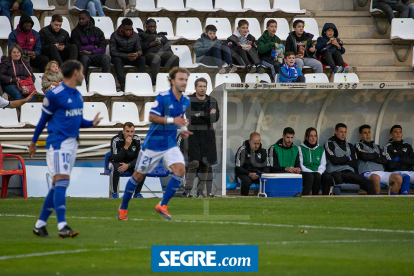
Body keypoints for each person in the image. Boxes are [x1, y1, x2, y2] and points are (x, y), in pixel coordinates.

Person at [30, 60, 103, 238]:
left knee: (58, 185)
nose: (84, 76)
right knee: (62, 181)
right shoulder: (55, 95)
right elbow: (42, 121)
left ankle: (40, 225)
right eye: (82, 72)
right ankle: (62, 226)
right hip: (58, 143)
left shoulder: (78, 95)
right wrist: (33, 142)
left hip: (72, 143)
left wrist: (90, 124)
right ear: (75, 73)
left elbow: (77, 121)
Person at [117, 67, 192, 221]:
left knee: (180, 170)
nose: (184, 82)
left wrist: (183, 129)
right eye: (181, 79)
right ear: (172, 81)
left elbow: (179, 115)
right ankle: (123, 207)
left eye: (185, 79)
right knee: (137, 176)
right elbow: (151, 117)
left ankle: (162, 205)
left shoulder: (186, 100)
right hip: (153, 145)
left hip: (170, 144)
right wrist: (173, 121)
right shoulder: (163, 97)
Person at [180, 78, 220, 198]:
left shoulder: (212, 100)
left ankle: (199, 192)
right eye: (200, 86)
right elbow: (191, 117)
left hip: (208, 136)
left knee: (205, 164)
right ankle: (187, 191)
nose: (202, 88)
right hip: (194, 135)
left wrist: (200, 114)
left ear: (207, 88)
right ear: (195, 88)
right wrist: (207, 114)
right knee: (194, 163)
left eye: (204, 86)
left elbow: (215, 118)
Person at [324, 123, 376, 195]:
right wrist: (348, 158)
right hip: (335, 171)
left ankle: (372, 203)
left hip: (348, 172)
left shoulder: (350, 145)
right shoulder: (329, 143)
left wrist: (341, 160)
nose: (343, 134)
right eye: (341, 132)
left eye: (345, 132)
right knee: (338, 183)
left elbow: (354, 163)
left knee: (367, 182)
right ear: (335, 132)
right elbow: (334, 160)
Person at [356, 124, 403, 195]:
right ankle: (377, 201)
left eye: (369, 132)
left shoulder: (377, 146)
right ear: (361, 135)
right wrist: (377, 155)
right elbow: (363, 156)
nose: (368, 135)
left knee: (398, 178)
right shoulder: (358, 145)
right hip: (367, 172)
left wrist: (369, 156)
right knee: (376, 178)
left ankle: (393, 201)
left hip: (381, 171)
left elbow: (384, 160)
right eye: (365, 133)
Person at [108, 122, 146, 199]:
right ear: (123, 132)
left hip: (129, 163)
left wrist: (128, 165)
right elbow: (115, 158)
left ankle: (137, 193)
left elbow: (140, 158)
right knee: (116, 167)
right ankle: (114, 193)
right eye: (127, 131)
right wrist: (126, 146)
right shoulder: (115, 140)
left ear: (134, 132)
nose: (129, 134)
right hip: (116, 162)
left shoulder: (137, 139)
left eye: (131, 132)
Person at [71, 10, 111, 81]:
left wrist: (91, 52)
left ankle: (107, 82)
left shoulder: (98, 31)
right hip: (82, 56)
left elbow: (102, 49)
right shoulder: (75, 32)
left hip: (95, 55)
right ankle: (83, 84)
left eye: (83, 19)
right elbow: (79, 48)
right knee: (85, 59)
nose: (81, 21)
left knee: (106, 58)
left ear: (88, 18)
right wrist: (93, 47)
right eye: (79, 19)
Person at [138, 18, 180, 86]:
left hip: (161, 54)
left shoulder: (162, 36)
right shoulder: (142, 35)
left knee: (175, 58)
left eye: (154, 27)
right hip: (148, 55)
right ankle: (155, 83)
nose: (152, 28)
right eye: (150, 27)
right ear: (146, 27)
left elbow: (168, 48)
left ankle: (175, 81)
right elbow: (139, 47)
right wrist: (149, 44)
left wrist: (169, 55)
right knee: (156, 59)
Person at [110, 17, 145, 92]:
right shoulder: (114, 35)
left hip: (132, 57)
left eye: (130, 29)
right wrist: (125, 56)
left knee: (142, 59)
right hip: (120, 57)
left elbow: (140, 50)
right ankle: (122, 84)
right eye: (126, 30)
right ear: (121, 28)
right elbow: (112, 52)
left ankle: (140, 82)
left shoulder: (135, 35)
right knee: (117, 60)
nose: (128, 32)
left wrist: (136, 55)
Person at [298, 127, 333, 196]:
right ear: (306, 137)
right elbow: (300, 164)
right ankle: (314, 196)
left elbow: (323, 164)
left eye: (315, 136)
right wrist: (312, 172)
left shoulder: (321, 149)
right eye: (311, 136)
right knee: (314, 176)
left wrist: (319, 172)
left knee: (327, 177)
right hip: (306, 172)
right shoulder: (300, 148)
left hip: (318, 172)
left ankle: (325, 197)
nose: (313, 138)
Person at [383, 125, 413, 195]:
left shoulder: (408, 146)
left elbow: (413, 161)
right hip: (395, 172)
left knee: (407, 175)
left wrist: (399, 159)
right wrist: (407, 162)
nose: (398, 134)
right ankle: (404, 197)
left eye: (400, 132)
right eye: (396, 132)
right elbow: (390, 164)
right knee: (406, 177)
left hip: (409, 171)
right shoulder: (387, 147)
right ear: (391, 135)